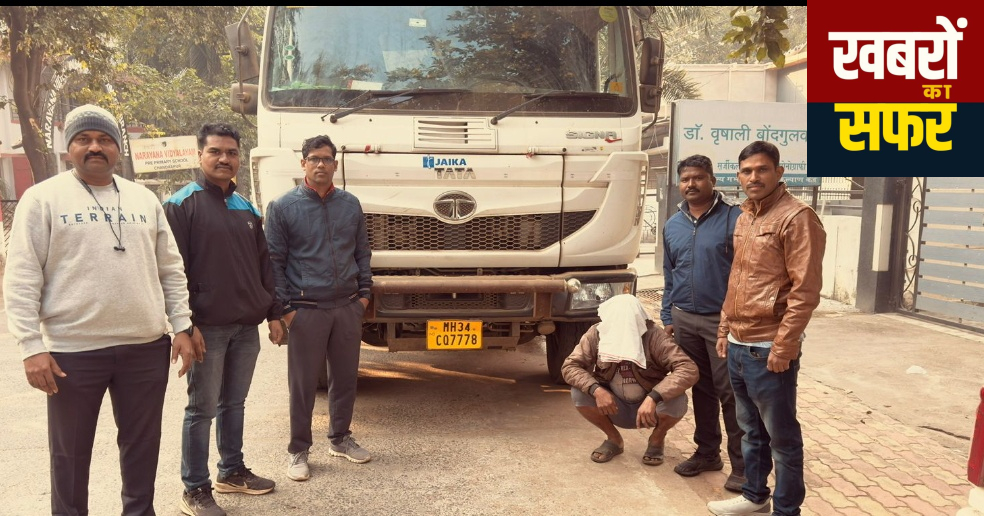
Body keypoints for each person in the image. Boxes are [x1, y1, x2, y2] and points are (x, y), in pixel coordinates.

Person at [2, 103, 203, 515]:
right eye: (84, 139)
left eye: (104, 139)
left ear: (118, 149)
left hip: (145, 347)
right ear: (69, 148)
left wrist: (181, 325)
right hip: (72, 352)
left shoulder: (143, 198)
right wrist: (31, 346)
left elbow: (170, 267)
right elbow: (21, 277)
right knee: (70, 454)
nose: (95, 147)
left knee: (142, 446)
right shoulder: (42, 199)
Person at [164, 123, 284, 516]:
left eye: (231, 152)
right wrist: (186, 326)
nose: (224, 159)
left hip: (245, 327)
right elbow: (171, 270)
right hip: (206, 330)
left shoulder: (247, 208)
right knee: (201, 409)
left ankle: (231, 471)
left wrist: (273, 313)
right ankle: (194, 488)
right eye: (215, 151)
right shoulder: (181, 204)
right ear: (199, 155)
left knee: (234, 402)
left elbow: (264, 266)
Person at [707, 141, 826, 516]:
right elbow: (737, 279)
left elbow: (805, 291)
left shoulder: (797, 217)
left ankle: (787, 510)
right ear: (738, 176)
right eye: (746, 171)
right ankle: (754, 496)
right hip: (739, 343)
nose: (753, 177)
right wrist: (724, 328)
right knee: (750, 430)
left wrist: (784, 345)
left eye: (761, 169)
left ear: (779, 172)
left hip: (768, 347)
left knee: (782, 438)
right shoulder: (746, 217)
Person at [264, 134, 373, 482]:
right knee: (303, 384)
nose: (320, 164)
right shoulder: (283, 207)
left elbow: (362, 252)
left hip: (347, 306)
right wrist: (285, 309)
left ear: (335, 165)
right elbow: (273, 262)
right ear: (303, 164)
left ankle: (340, 438)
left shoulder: (350, 204)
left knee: (345, 378)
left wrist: (364, 295)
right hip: (306, 308)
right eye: (314, 158)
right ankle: (299, 449)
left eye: (326, 159)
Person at [661, 155, 745, 492]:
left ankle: (742, 467)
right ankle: (708, 453)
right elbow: (670, 273)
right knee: (701, 389)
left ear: (712, 180)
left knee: (731, 393)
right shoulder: (673, 225)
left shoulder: (735, 218)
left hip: (721, 322)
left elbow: (745, 272)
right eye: (685, 179)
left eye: (698, 177)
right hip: (684, 319)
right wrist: (668, 315)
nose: (691, 184)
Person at [562, 294, 698, 467]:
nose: (623, 326)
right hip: (614, 406)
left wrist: (654, 397)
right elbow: (570, 366)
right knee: (579, 393)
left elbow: (688, 368)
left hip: (649, 409)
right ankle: (614, 439)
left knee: (677, 398)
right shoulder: (597, 333)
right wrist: (597, 390)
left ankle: (657, 439)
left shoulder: (655, 336)